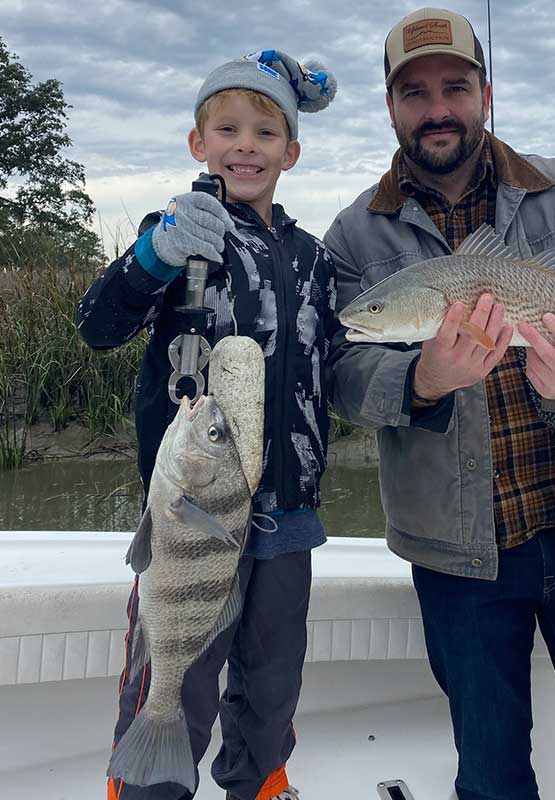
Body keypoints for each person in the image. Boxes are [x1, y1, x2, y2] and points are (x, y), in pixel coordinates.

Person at [325, 7, 555, 800]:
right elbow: (342, 369)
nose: (436, 109)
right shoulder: (355, 235)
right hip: (460, 559)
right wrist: (419, 380)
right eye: (414, 92)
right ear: (390, 107)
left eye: (454, 86)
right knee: (491, 782)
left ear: (484, 95)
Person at [77, 49, 338, 800]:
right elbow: (98, 325)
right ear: (199, 144)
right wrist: (153, 255)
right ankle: (145, 788)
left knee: (272, 677)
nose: (246, 145)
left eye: (266, 131)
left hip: (286, 517)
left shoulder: (316, 260)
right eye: (228, 128)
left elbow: (344, 366)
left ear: (292, 151)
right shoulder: (180, 233)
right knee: (176, 672)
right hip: (190, 513)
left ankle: (262, 783)